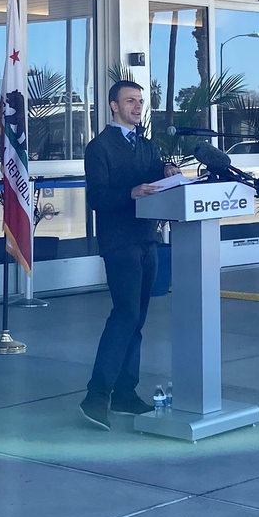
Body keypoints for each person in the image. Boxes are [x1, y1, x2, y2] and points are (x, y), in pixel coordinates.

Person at [80, 78, 179, 428]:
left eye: (140, 101)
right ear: (114, 106)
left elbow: (156, 177)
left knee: (137, 320)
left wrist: (167, 172)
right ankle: (96, 396)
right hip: (119, 242)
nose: (138, 106)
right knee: (124, 315)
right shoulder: (99, 148)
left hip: (147, 239)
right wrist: (131, 193)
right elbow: (97, 197)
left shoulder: (147, 146)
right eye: (130, 101)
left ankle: (125, 392)